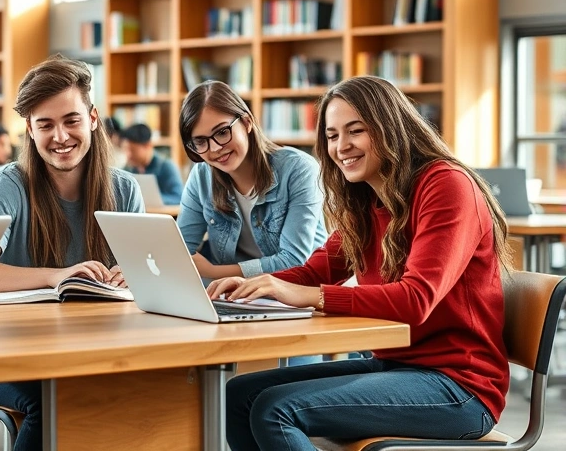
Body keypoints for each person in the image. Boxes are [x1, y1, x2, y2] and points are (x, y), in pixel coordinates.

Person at [212, 76, 512, 449]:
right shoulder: (366, 200)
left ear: (390, 127)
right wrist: (244, 290)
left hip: (460, 387)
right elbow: (313, 272)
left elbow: (415, 300)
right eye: (333, 136)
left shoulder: (446, 185)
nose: (342, 147)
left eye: (356, 131)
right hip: (397, 367)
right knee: (239, 395)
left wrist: (312, 296)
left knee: (275, 409)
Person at [0, 55, 144, 451]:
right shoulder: (8, 186)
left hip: (91, 348)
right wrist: (55, 275)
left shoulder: (125, 189)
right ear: (29, 129)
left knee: (149, 388)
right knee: (51, 399)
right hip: (1, 352)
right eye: (45, 124)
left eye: (71, 120)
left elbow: (149, 278)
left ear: (93, 119)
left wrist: (139, 278)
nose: (60, 136)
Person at [177, 80, 326, 280]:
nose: (214, 149)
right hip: (236, 297)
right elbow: (181, 249)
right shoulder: (201, 176)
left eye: (222, 132)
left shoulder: (299, 170)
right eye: (201, 141)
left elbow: (294, 260)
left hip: (296, 292)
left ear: (247, 122)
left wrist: (214, 273)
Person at [121, 123, 183, 205]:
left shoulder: (167, 167)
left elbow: (178, 198)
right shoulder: (127, 169)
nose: (128, 155)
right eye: (126, 149)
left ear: (148, 145)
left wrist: (154, 199)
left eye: (133, 150)